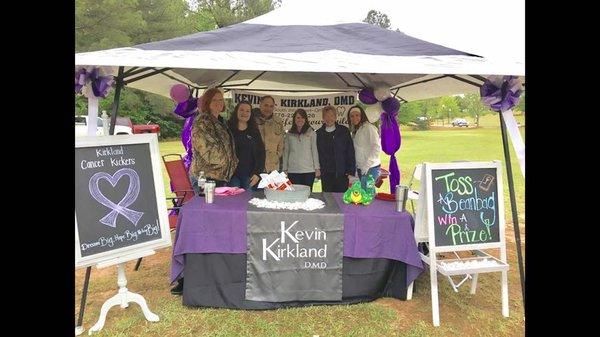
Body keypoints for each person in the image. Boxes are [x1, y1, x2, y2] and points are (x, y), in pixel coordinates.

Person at [189, 88, 238, 191]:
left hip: (220, 177)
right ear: (207, 102)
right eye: (214, 100)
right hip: (205, 178)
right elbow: (207, 151)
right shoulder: (202, 122)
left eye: (220, 100)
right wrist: (227, 162)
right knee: (206, 207)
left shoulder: (221, 121)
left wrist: (233, 163)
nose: (218, 103)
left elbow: (228, 147)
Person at [316, 105, 356, 192]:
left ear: (335, 117)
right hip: (326, 174)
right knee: (327, 199)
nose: (329, 118)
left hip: (341, 173)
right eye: (326, 116)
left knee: (341, 199)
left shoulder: (344, 131)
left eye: (331, 115)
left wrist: (351, 171)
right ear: (323, 117)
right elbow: (317, 154)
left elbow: (350, 152)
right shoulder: (318, 134)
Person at [227, 101, 266, 190]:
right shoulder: (228, 128)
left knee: (248, 202)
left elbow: (261, 153)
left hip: (249, 176)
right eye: (242, 110)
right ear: (236, 111)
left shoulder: (254, 131)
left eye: (248, 111)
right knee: (234, 202)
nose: (244, 113)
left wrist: (257, 173)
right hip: (232, 175)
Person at [282, 109, 320, 190]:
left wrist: (317, 168)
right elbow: (286, 152)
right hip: (293, 171)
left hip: (308, 171)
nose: (300, 120)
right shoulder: (289, 134)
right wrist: (285, 169)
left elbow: (314, 151)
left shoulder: (312, 132)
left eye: (302, 118)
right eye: (298, 118)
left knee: (307, 195)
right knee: (294, 195)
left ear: (305, 119)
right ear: (294, 119)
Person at [348, 105, 382, 189]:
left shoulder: (369, 128)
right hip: (361, 167)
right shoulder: (355, 130)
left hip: (371, 167)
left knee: (369, 192)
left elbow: (376, 147)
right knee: (364, 192)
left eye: (357, 115)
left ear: (361, 115)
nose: (354, 118)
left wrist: (367, 164)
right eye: (352, 116)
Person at [255, 96, 284, 172]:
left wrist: (277, 156)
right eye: (266, 105)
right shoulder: (252, 120)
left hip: (273, 167)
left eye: (271, 106)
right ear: (260, 104)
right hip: (256, 167)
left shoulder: (278, 122)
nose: (268, 109)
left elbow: (281, 143)